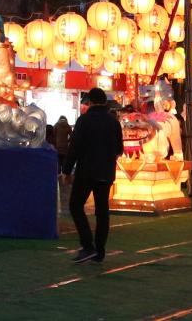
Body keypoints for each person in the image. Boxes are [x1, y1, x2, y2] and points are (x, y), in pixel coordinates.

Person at [61, 87, 121, 264]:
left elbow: (74, 148)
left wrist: (66, 170)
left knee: (75, 205)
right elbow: (119, 149)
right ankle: (99, 251)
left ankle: (87, 246)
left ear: (91, 102)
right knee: (102, 212)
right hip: (106, 173)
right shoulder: (113, 122)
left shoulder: (84, 121)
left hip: (86, 171)